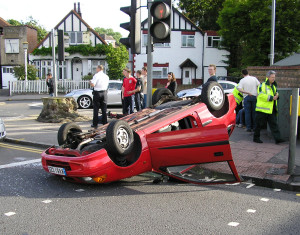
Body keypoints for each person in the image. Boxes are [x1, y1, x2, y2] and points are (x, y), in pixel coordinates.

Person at [253, 70, 284, 144]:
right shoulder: (262, 85)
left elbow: (276, 93)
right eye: (272, 77)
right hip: (262, 109)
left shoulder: (273, 86)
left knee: (274, 124)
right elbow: (260, 95)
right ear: (268, 77)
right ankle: (256, 138)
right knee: (258, 125)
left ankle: (278, 139)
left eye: (274, 77)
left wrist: (277, 96)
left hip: (271, 109)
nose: (274, 79)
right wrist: (272, 98)